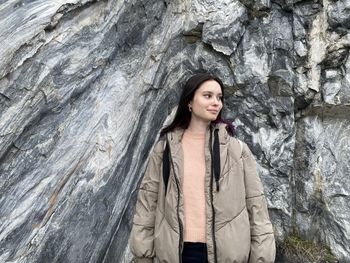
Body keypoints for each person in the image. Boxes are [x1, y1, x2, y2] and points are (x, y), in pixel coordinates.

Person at [129, 72, 276, 263]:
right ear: (189, 102)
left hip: (226, 255)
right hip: (178, 254)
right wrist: (143, 256)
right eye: (208, 96)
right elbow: (147, 207)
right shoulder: (165, 149)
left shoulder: (237, 150)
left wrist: (261, 258)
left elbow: (257, 208)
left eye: (219, 97)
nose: (216, 102)